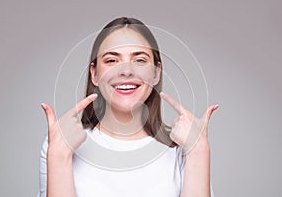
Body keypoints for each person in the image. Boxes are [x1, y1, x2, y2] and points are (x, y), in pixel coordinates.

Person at [38, 17, 218, 197]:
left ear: (156, 73)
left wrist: (198, 151)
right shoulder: (60, 143)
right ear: (94, 74)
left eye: (139, 60)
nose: (126, 71)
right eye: (111, 60)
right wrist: (59, 156)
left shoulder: (182, 148)